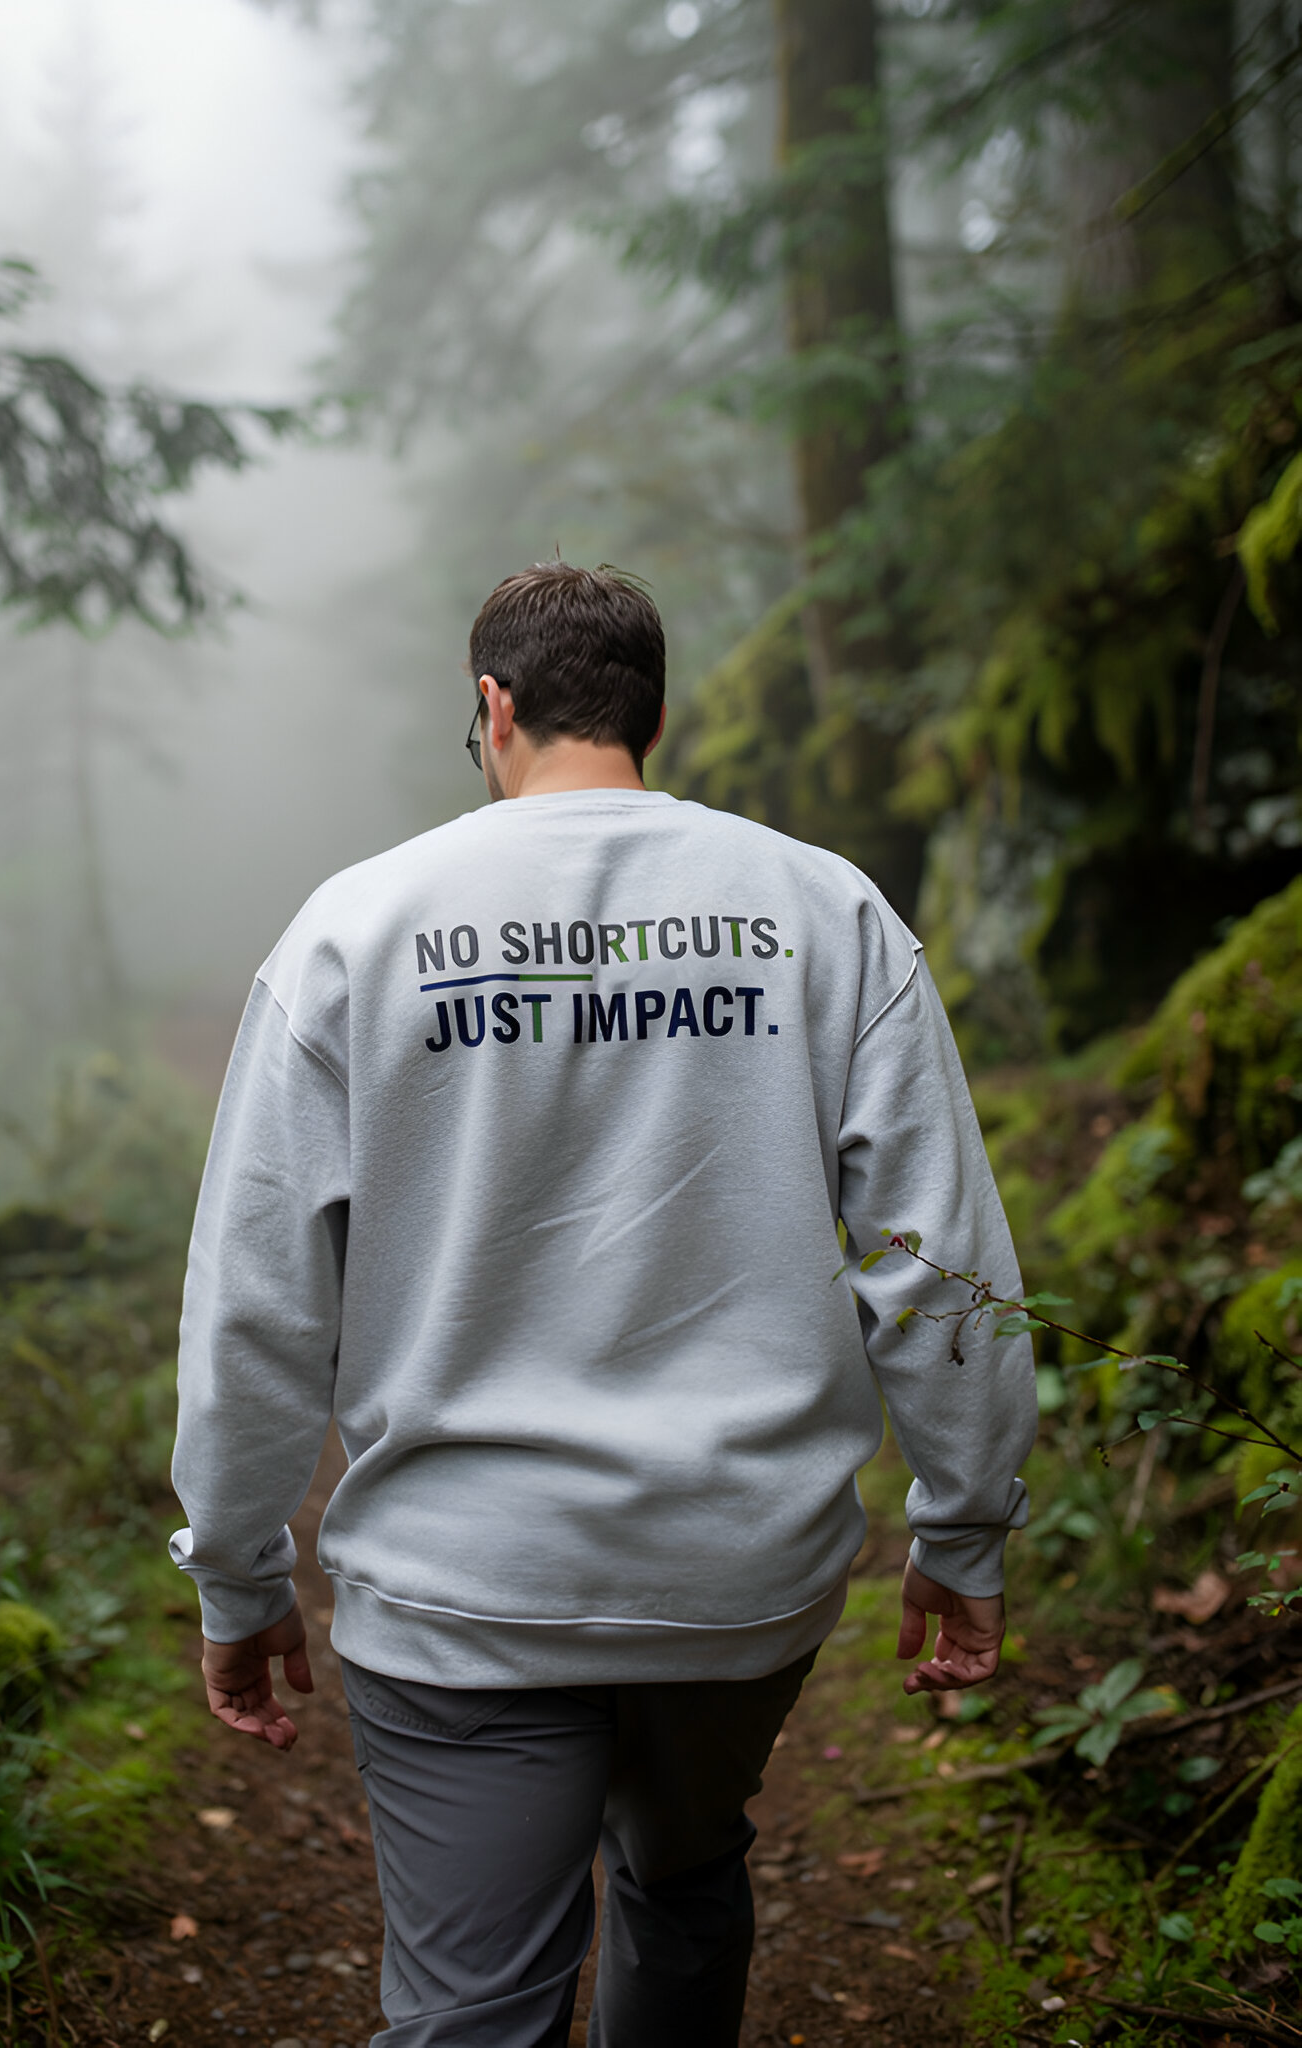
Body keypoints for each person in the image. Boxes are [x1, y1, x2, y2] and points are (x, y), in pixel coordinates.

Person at [168, 561, 1036, 2048]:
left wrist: (239, 1575)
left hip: (462, 1591)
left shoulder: (354, 932)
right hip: (739, 1576)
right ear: (648, 712)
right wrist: (966, 1523)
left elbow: (257, 1298)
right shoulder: (823, 912)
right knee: (686, 1879)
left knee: (473, 2009)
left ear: (491, 709)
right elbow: (938, 1256)